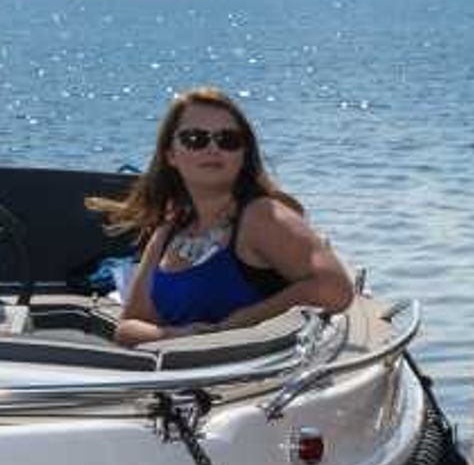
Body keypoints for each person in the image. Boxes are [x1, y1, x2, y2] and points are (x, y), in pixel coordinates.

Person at [94, 87, 354, 346]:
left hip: (251, 370)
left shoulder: (262, 216)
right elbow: (127, 328)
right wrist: (180, 336)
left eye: (228, 140)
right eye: (195, 139)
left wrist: (240, 324)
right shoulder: (169, 228)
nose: (213, 148)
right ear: (170, 154)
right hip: (175, 369)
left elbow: (336, 289)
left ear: (243, 154)